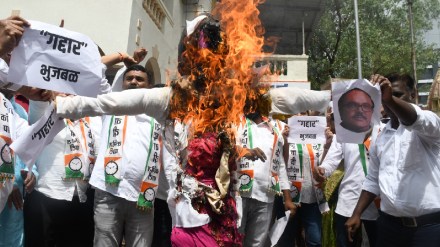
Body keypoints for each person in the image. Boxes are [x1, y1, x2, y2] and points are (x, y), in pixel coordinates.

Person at [54, 12, 331, 246]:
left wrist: (332, 99)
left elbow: (286, 99)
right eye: (202, 47)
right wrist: (64, 106)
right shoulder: (171, 99)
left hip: (225, 212)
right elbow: (114, 102)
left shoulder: (230, 98)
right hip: (189, 214)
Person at [345, 74, 440, 247]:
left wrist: (390, 99)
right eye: (384, 97)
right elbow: (372, 180)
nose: (388, 101)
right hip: (389, 227)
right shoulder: (380, 137)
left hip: (428, 229)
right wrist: (356, 214)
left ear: (413, 94)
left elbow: (414, 118)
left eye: (397, 94)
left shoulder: (429, 124)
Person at [315, 124, 381, 247]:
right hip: (349, 202)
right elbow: (331, 161)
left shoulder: (384, 129)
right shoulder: (344, 131)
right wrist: (323, 170)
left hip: (377, 204)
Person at [236, 111, 294, 247]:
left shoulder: (277, 128)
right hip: (238, 193)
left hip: (265, 196)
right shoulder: (236, 122)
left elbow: (279, 164)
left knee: (257, 242)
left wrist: (287, 198)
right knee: (235, 239)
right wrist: (245, 152)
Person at [0, 90, 38, 247]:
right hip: (7, 187)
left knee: (12, 240)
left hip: (15, 201)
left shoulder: (19, 111)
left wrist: (33, 172)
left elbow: (28, 148)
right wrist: (7, 181)